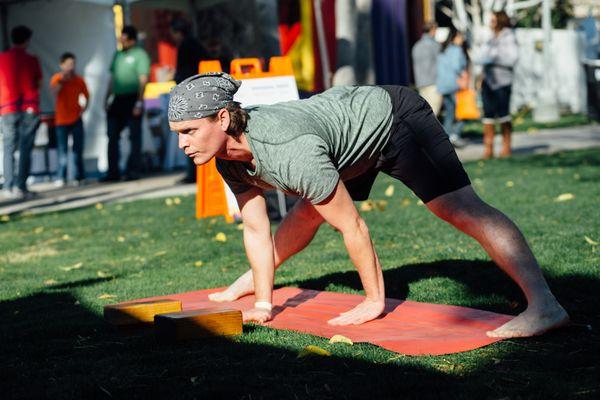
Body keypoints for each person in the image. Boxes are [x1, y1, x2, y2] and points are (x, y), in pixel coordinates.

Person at [168, 72, 569, 338]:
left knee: (458, 208)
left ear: (223, 119)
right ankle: (253, 281)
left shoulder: (287, 152)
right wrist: (262, 302)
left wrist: (374, 301)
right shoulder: (226, 159)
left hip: (394, 121)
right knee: (309, 209)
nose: (183, 144)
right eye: (177, 134)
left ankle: (544, 305)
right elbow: (256, 227)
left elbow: (353, 227)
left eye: (189, 132)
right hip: (343, 140)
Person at [102, 25, 150, 182]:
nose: (122, 41)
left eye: (124, 38)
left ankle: (133, 171)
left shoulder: (140, 54)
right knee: (112, 135)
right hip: (117, 99)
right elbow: (112, 78)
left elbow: (143, 80)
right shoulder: (117, 54)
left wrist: (139, 102)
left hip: (132, 98)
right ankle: (113, 172)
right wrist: (106, 98)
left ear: (132, 40)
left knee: (134, 136)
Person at [0, 25, 42, 199]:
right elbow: (38, 82)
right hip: (29, 107)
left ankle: (8, 185)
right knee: (25, 147)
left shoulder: (2, 58)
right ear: (26, 41)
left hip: (7, 107)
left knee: (8, 146)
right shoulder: (31, 59)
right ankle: (21, 186)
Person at [478, 11, 519, 159]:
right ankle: (488, 149)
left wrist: (494, 59)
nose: (491, 23)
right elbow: (480, 56)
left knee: (503, 115)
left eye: (493, 20)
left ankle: (506, 147)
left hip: (503, 82)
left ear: (500, 21)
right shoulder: (489, 38)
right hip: (487, 82)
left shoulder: (509, 37)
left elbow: (512, 59)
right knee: (488, 115)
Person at [170, 19, 205, 183]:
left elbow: (184, 72)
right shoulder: (194, 44)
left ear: (179, 32)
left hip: (188, 93)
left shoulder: (186, 45)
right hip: (196, 92)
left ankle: (193, 174)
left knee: (188, 134)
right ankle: (195, 173)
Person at [50, 52, 90, 186]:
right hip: (61, 120)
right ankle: (61, 176)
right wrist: (62, 80)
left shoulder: (79, 80)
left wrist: (83, 109)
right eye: (67, 64)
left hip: (76, 119)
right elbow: (54, 92)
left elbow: (87, 96)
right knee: (62, 151)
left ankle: (80, 176)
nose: (70, 67)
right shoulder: (56, 78)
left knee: (78, 150)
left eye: (72, 64)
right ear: (61, 65)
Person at [436, 28, 468, 148]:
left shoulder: (443, 50)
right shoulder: (456, 50)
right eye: (460, 37)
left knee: (450, 112)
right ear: (454, 37)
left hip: (443, 85)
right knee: (463, 112)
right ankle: (455, 135)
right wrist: (463, 73)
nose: (462, 39)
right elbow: (456, 66)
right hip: (455, 84)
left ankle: (447, 137)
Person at [411, 21, 442, 116]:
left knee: (425, 112)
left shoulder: (416, 46)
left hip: (421, 82)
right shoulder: (435, 45)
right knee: (433, 113)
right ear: (432, 30)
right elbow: (441, 64)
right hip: (433, 82)